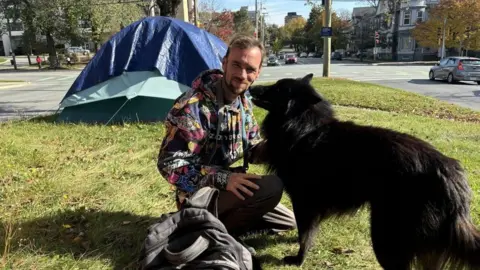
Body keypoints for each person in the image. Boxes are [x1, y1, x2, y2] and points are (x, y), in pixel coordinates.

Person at [157, 35, 296, 243]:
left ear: (257, 73)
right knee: (272, 187)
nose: (241, 75)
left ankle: (213, 225)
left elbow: (252, 147)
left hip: (228, 185)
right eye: (236, 65)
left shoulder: (244, 102)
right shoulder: (193, 106)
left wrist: (282, 145)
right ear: (224, 64)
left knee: (286, 221)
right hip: (198, 193)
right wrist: (222, 179)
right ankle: (205, 234)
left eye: (250, 69)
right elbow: (169, 164)